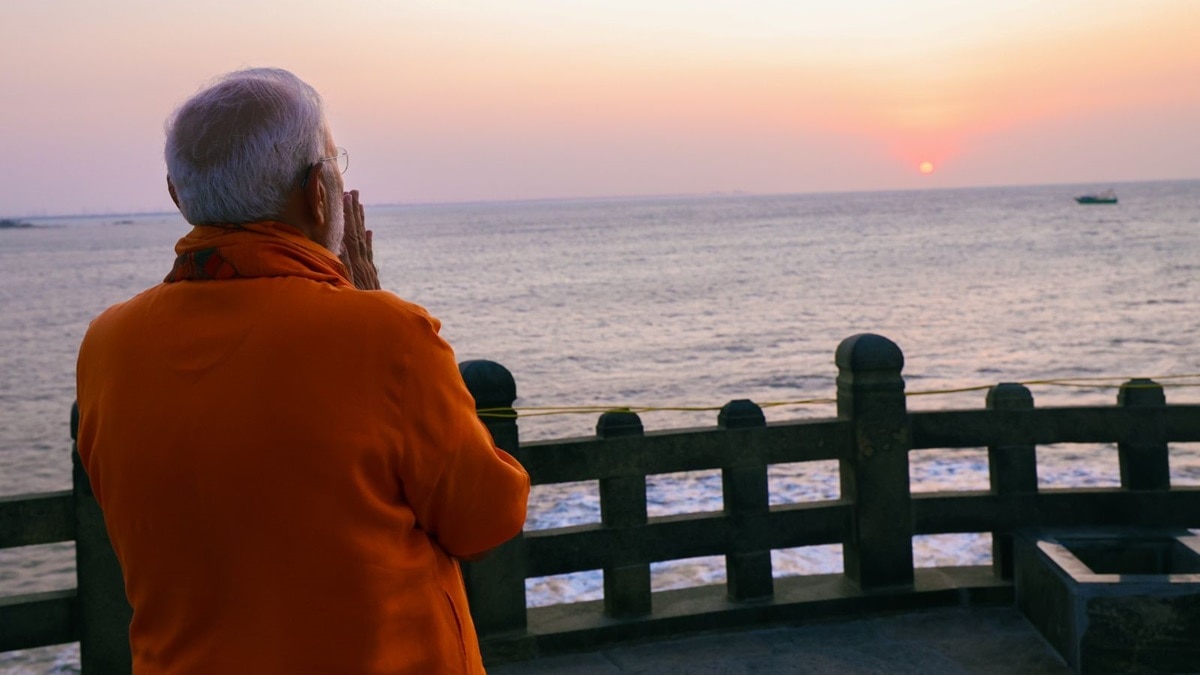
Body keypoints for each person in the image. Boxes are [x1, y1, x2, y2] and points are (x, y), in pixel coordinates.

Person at [75, 67, 530, 674]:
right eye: (336, 161)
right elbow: (486, 518)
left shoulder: (108, 344)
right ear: (320, 192)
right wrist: (367, 306)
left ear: (177, 196)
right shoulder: (386, 336)